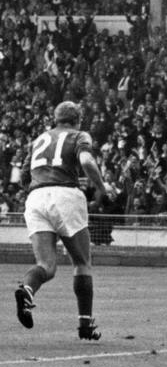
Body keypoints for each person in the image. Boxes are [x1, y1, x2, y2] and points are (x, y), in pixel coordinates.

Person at [15, 101, 118, 340]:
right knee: (82, 262)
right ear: (77, 120)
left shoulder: (39, 139)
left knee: (46, 265)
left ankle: (27, 290)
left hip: (36, 197)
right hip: (65, 197)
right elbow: (86, 162)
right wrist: (102, 188)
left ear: (56, 119)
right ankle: (85, 324)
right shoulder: (79, 135)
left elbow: (22, 177)